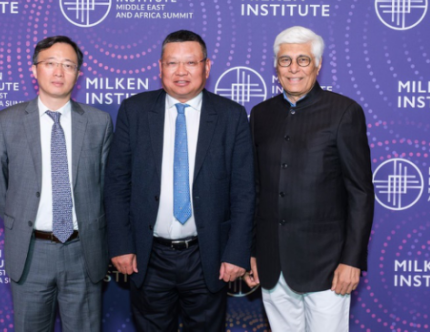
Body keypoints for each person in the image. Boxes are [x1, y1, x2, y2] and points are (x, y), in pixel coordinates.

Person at [104, 30, 255, 332]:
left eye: (191, 62)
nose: (181, 72)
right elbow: (117, 184)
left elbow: (244, 191)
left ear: (206, 67)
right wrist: (120, 244)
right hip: (149, 256)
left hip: (207, 256)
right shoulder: (134, 111)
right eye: (172, 63)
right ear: (160, 67)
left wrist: (237, 251)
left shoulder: (231, 115)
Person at [246, 26, 375, 332]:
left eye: (303, 60)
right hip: (272, 264)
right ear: (276, 67)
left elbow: (360, 193)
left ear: (318, 65)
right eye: (285, 60)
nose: (294, 68)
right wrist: (252, 251)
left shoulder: (344, 112)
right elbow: (255, 189)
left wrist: (352, 261)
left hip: (327, 267)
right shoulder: (260, 114)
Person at [0, 36, 113, 332]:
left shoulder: (99, 122)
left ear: (78, 74)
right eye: (50, 63)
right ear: (34, 69)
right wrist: (23, 221)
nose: (59, 72)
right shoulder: (6, 121)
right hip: (31, 252)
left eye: (68, 65)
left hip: (83, 252)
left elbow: (107, 187)